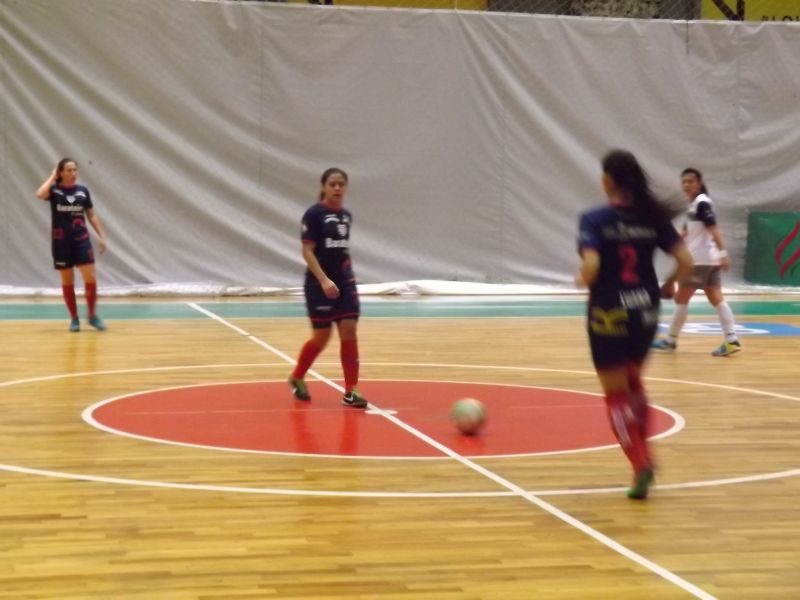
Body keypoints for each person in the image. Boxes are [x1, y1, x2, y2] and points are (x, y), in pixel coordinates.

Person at [576, 150, 693, 499]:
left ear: (607, 181)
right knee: (634, 382)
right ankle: (645, 454)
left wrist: (582, 279)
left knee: (615, 394)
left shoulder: (594, 220)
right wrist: (670, 284)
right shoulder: (652, 218)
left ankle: (641, 463)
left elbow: (592, 266)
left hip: (609, 310)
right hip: (646, 307)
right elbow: (686, 260)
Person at [288, 168, 368, 409]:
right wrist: (323, 280)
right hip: (318, 283)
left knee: (349, 330)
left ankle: (351, 390)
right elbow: (307, 251)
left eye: (341, 184)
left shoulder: (346, 216)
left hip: (345, 282)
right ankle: (297, 376)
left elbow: (340, 251)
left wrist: (345, 277)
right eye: (332, 183)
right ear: (324, 187)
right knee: (321, 338)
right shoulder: (314, 214)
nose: (337, 188)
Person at [652, 168, 741, 356]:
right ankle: (731, 340)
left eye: (691, 181)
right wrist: (665, 241)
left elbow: (714, 229)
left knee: (681, 298)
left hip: (699, 260)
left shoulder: (702, 204)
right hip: (709, 260)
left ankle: (670, 341)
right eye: (684, 182)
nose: (686, 185)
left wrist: (724, 253)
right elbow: (684, 233)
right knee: (716, 297)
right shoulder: (695, 206)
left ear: (699, 183)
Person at [35, 158, 108, 332]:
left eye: (75, 170)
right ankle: (74, 319)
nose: (73, 173)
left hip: (81, 240)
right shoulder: (54, 190)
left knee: (90, 276)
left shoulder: (82, 191)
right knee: (67, 280)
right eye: (69, 170)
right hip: (61, 242)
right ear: (60, 172)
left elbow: (91, 214)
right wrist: (52, 177)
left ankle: (92, 316)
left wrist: (102, 236)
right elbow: (40, 194)